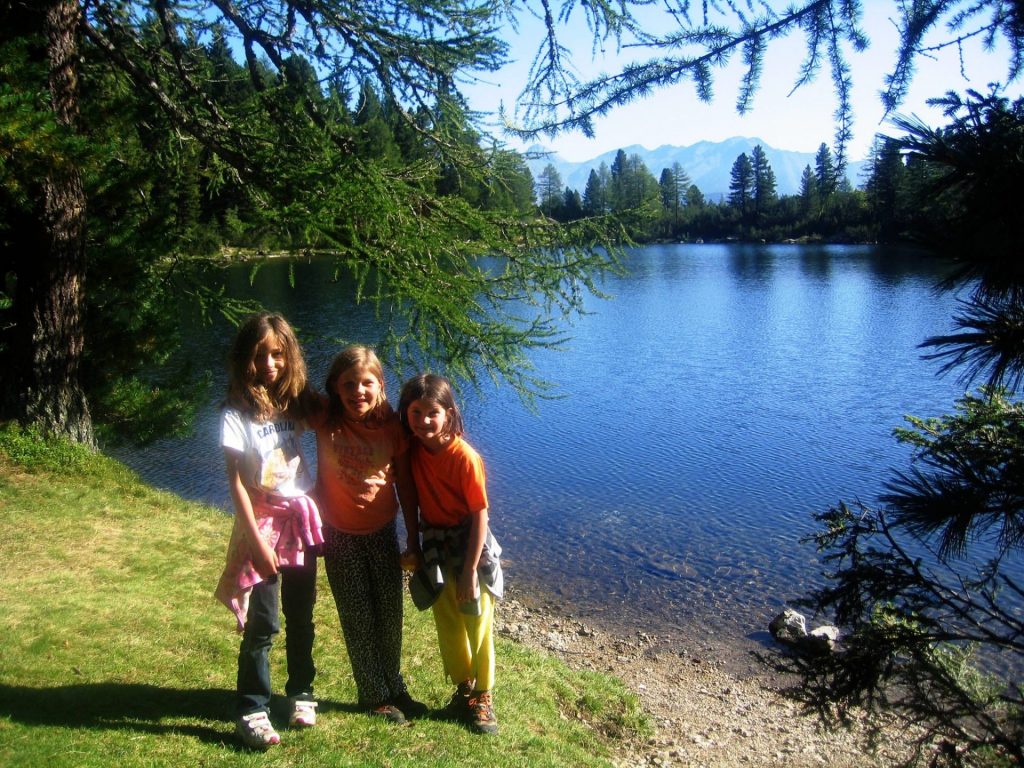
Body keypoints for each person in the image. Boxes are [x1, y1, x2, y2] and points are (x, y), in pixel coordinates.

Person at [214, 312, 324, 750]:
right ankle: (252, 706)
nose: (270, 364)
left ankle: (301, 691)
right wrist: (257, 544)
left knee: (301, 613)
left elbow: (339, 413)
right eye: (261, 355)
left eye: (278, 354)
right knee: (264, 621)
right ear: (245, 358)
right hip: (261, 525)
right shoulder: (234, 414)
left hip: (299, 519)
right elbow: (236, 482)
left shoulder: (295, 403)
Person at [315, 346, 426, 723]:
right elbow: (288, 390)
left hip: (382, 533)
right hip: (339, 536)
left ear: (381, 386)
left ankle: (394, 685)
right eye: (349, 384)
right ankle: (372, 693)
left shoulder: (393, 427)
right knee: (357, 616)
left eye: (367, 383)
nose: (357, 392)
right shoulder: (324, 417)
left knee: (389, 613)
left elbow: (406, 486)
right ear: (334, 387)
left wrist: (413, 537)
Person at [398, 373, 504, 736]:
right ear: (405, 414)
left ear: (449, 414)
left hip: (470, 545)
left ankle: (484, 696)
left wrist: (472, 570)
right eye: (415, 412)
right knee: (447, 619)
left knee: (477, 618)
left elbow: (480, 515)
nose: (424, 421)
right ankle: (464, 688)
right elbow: (410, 500)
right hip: (435, 544)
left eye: (432, 413)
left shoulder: (464, 457)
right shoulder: (413, 451)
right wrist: (413, 542)